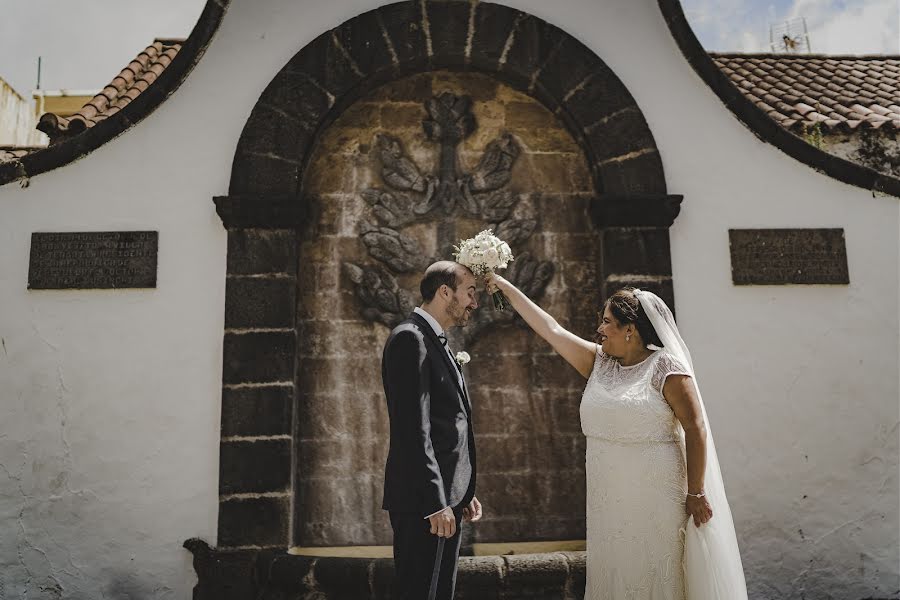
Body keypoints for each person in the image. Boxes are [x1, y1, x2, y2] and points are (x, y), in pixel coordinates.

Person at [486, 274, 747, 600]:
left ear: (630, 329)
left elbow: (696, 428)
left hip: (656, 497)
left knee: (656, 571)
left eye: (607, 322)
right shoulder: (599, 363)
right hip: (607, 498)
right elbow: (551, 329)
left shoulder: (667, 368)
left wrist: (696, 491)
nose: (600, 329)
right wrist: (504, 286)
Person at [382, 261, 484, 600]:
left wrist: (460, 489)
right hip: (424, 505)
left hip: (441, 500)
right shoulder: (411, 339)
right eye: (470, 292)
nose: (474, 302)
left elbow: (444, 426)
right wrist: (435, 501)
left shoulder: (432, 339)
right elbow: (413, 430)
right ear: (445, 292)